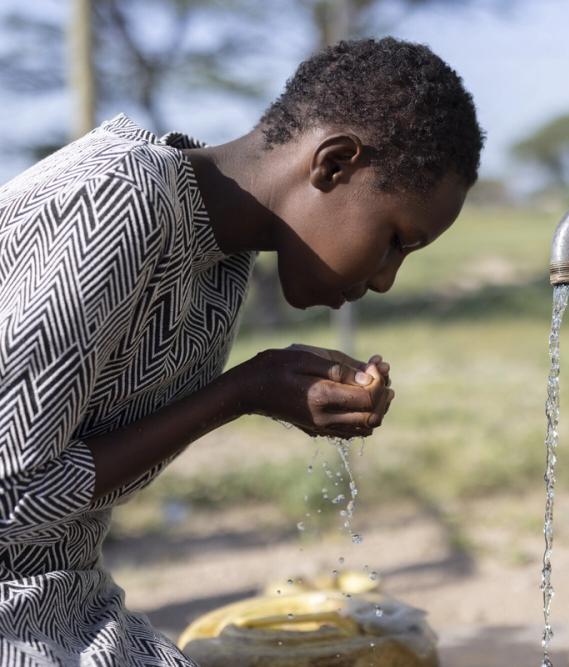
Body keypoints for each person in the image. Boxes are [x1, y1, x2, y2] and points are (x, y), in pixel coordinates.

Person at [0, 37, 484, 664]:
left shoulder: (219, 260)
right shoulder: (124, 200)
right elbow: (11, 495)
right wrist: (240, 391)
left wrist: (259, 387)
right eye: (396, 240)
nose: (387, 278)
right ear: (333, 165)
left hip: (67, 607)